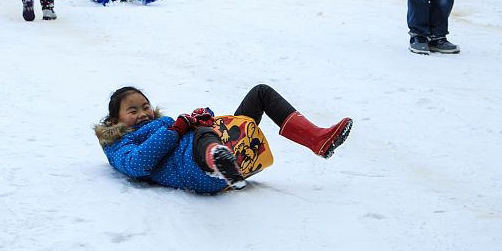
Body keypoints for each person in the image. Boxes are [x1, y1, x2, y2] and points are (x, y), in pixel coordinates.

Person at [94, 84, 353, 193]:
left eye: (145, 106)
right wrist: (180, 129)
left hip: (208, 153)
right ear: (115, 120)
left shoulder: (165, 124)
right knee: (203, 134)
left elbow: (185, 134)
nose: (142, 114)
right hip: (199, 172)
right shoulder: (119, 144)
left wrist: (199, 120)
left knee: (260, 93)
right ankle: (219, 160)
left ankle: (316, 138)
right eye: (132, 110)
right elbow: (139, 164)